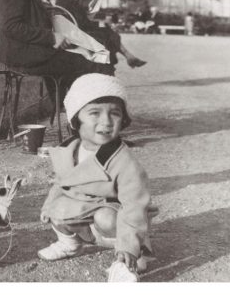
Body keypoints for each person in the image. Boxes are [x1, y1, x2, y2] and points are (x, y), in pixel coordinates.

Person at [37, 73, 154, 282]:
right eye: (94, 113)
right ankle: (69, 243)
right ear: (75, 118)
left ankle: (135, 252)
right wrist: (49, 206)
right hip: (86, 213)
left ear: (124, 119)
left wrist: (129, 247)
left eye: (115, 113)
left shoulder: (123, 161)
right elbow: (60, 184)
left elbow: (135, 206)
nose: (106, 122)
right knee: (58, 207)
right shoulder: (68, 151)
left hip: (115, 219)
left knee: (106, 217)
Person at [54, 0, 146, 68]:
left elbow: (79, 21)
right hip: (79, 34)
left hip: (70, 33)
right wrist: (101, 24)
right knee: (108, 32)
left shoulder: (61, 2)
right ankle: (127, 56)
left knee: (107, 31)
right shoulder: (72, 3)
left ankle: (128, 56)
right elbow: (84, 24)